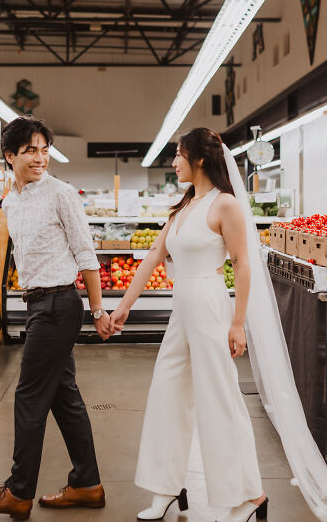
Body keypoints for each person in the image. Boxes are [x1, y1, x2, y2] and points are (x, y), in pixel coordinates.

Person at [110, 128, 268, 522]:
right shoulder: (184, 208)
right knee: (167, 392)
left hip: (211, 304)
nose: (174, 162)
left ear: (198, 159)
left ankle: (247, 496)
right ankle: (165, 488)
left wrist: (238, 324)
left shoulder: (225, 205)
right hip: (182, 308)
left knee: (219, 398)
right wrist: (124, 306)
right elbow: (152, 257)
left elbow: (243, 265)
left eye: (179, 156)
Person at [0, 116, 113, 520]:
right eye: (30, 150)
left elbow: (86, 253)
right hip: (36, 305)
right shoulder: (10, 201)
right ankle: (87, 483)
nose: (39, 157)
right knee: (65, 398)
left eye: (44, 149)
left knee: (29, 396)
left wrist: (98, 310)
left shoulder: (61, 194)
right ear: (9, 155)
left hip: (59, 305)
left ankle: (18, 491)